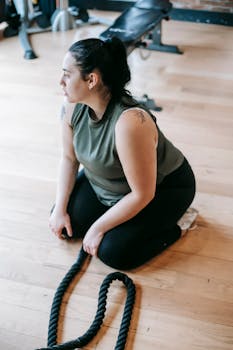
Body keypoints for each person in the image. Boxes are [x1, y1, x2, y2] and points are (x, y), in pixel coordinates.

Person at [49, 37, 197, 270]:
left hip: (163, 189)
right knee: (66, 224)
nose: (61, 81)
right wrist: (59, 209)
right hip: (107, 182)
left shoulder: (130, 123)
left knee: (114, 253)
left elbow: (142, 194)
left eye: (67, 74)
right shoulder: (71, 106)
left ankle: (179, 224)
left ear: (91, 80)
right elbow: (69, 158)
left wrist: (99, 228)